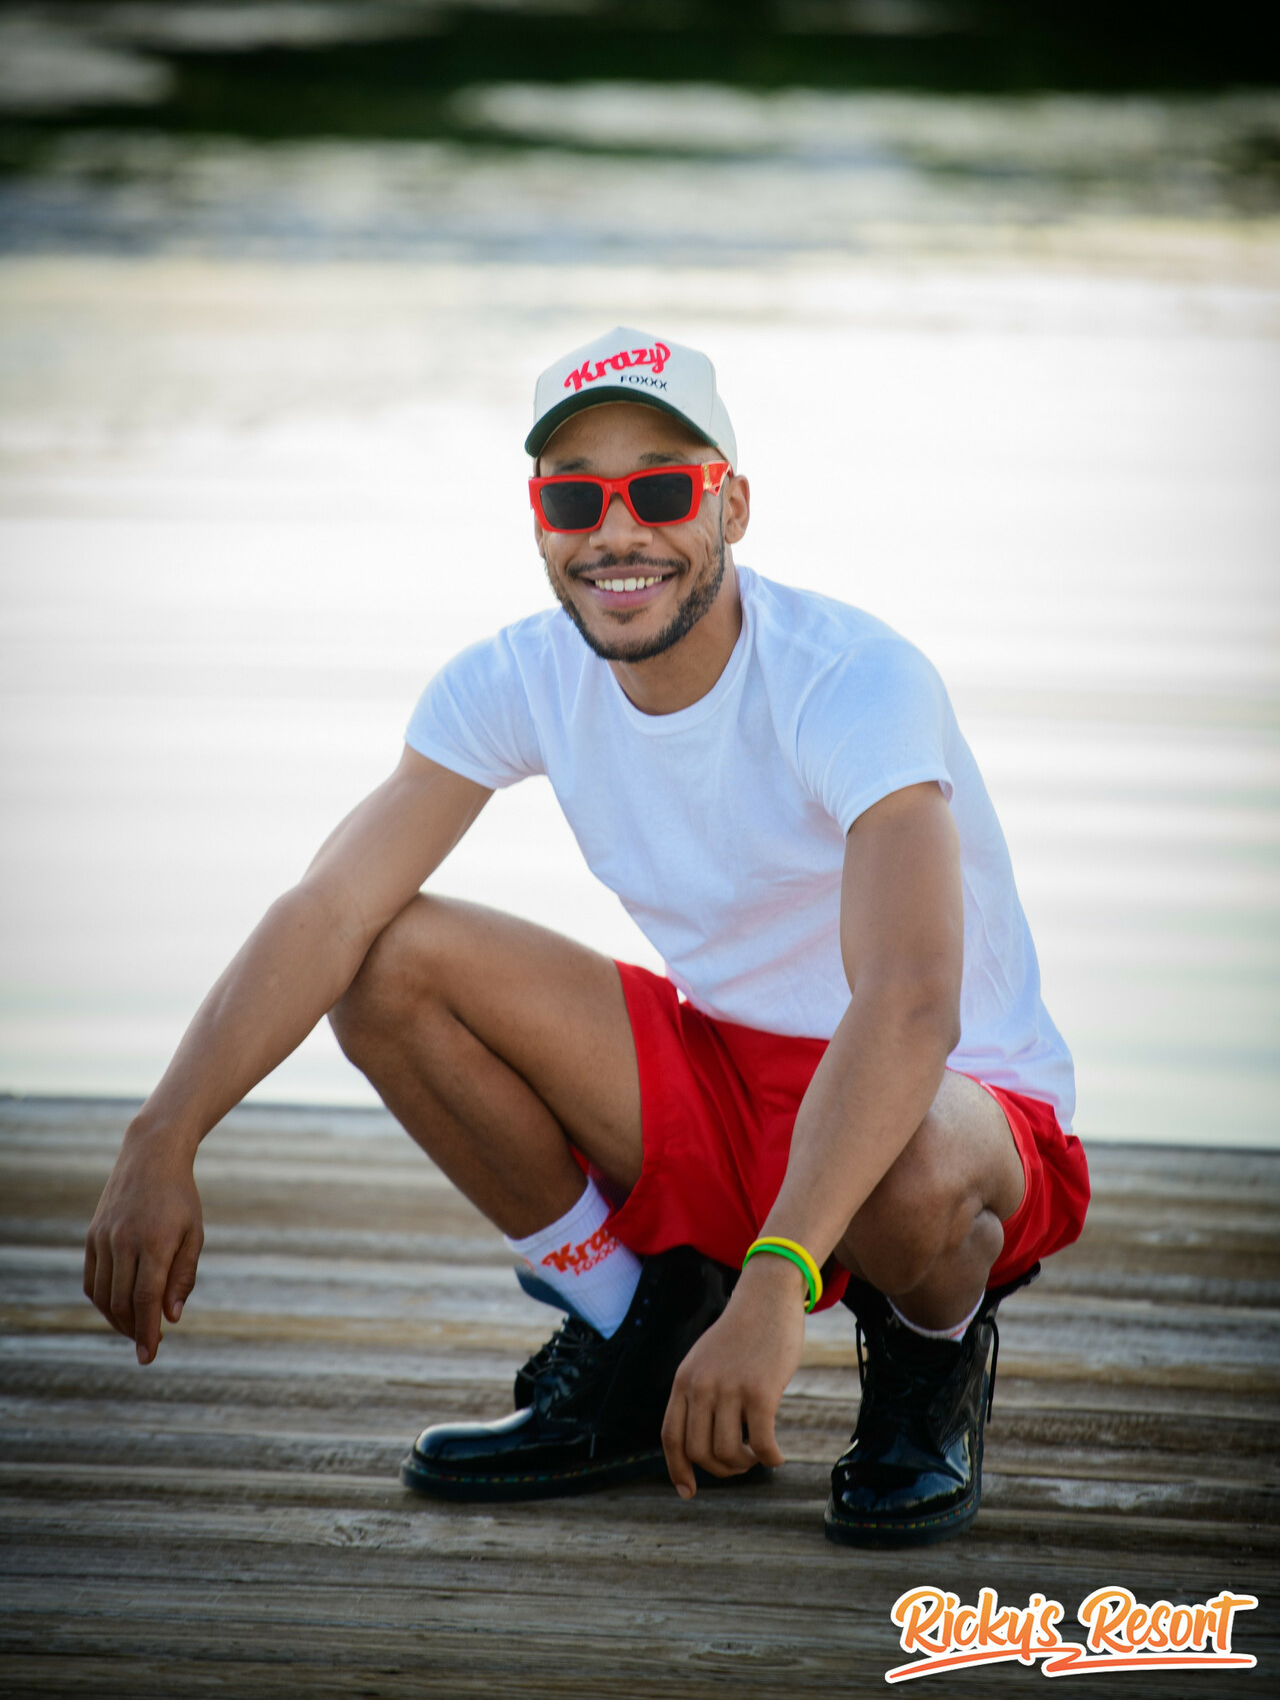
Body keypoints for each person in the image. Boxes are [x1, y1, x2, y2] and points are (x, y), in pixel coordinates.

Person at [84, 325, 1089, 1548]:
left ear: (731, 506)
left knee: (911, 1159)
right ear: (539, 521)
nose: (616, 533)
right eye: (574, 498)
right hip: (726, 1071)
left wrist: (777, 1278)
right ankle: (632, 1325)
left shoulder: (851, 680)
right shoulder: (515, 676)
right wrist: (163, 1134)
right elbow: (327, 910)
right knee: (385, 961)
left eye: (660, 491)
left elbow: (909, 1004)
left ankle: (927, 1355)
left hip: (951, 1100)